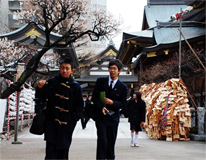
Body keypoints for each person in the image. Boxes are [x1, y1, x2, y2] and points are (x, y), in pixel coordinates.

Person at [36, 58, 83, 160]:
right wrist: (39, 88)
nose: (64, 71)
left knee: (63, 151)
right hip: (51, 121)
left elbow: (80, 104)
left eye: (67, 68)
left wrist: (74, 118)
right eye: (62, 68)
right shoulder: (51, 83)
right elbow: (41, 98)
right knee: (50, 151)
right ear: (59, 68)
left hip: (67, 123)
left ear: (72, 71)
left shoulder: (76, 87)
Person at [92, 59, 127, 160]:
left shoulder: (123, 87)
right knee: (102, 140)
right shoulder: (100, 81)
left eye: (114, 69)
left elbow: (123, 103)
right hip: (101, 116)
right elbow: (95, 97)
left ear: (119, 71)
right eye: (110, 68)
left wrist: (113, 103)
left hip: (113, 118)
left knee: (111, 142)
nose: (112, 71)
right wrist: (101, 107)